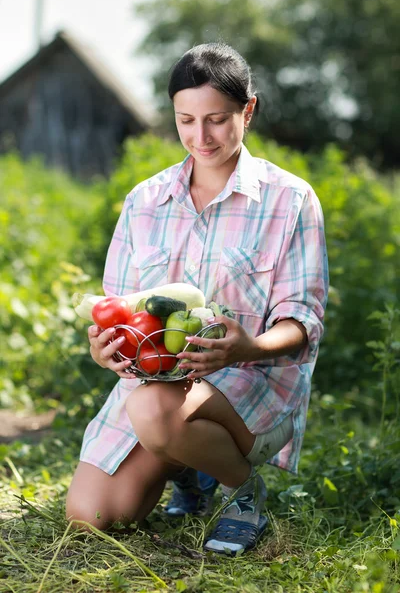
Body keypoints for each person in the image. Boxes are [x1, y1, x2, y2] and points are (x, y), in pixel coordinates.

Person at [66, 42, 329, 555]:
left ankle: (242, 490)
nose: (200, 137)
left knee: (154, 410)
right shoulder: (144, 200)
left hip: (250, 382)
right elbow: (117, 307)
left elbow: (303, 319)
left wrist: (246, 347)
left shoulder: (290, 199)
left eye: (216, 119)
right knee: (92, 515)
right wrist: (106, 345)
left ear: (247, 110)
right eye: (186, 120)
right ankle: (191, 471)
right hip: (157, 379)